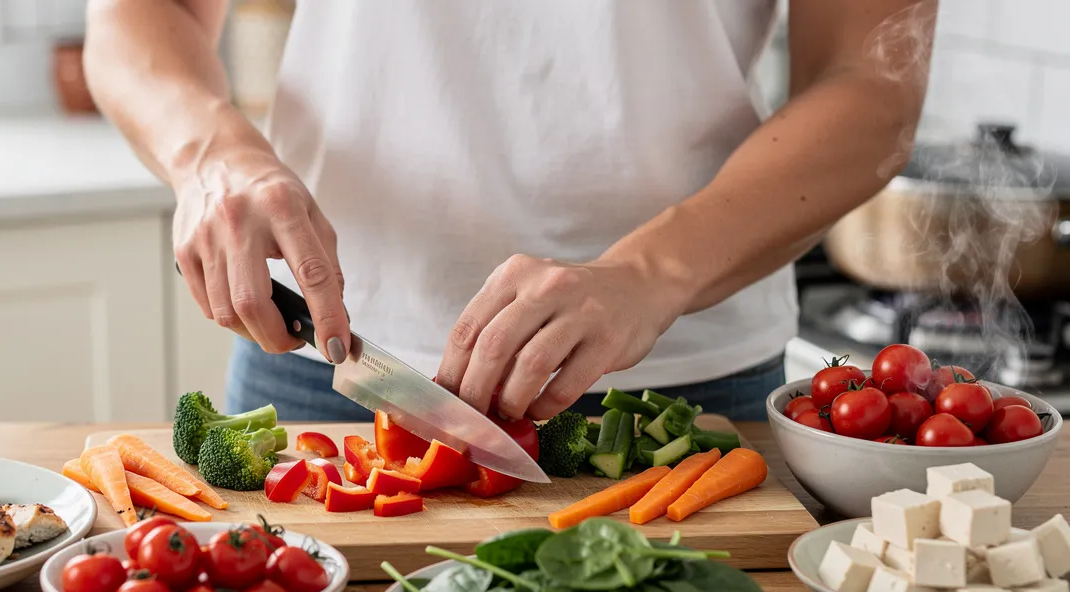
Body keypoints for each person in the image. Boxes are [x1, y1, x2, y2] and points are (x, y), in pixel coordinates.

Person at [85, 0, 934, 422]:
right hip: (328, 358)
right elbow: (140, 17)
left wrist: (648, 273)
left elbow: (872, 79)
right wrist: (209, 156)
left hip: (682, 377)